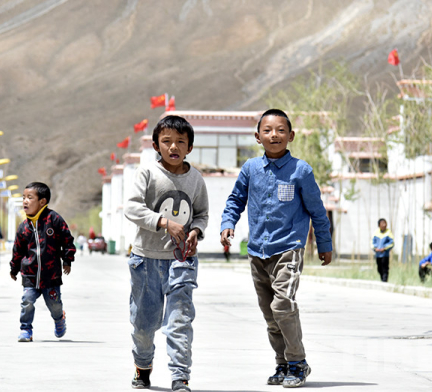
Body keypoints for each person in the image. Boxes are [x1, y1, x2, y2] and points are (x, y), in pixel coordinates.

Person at [220, 109, 332, 389]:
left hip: (288, 248)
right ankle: (282, 363)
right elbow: (235, 200)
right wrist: (227, 223)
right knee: (270, 315)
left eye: (281, 130)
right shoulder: (250, 169)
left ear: (290, 136)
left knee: (282, 305)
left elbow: (317, 211)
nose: (274, 135)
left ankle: (298, 361)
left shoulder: (301, 171)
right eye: (267, 130)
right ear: (257, 137)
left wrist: (324, 243)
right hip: (257, 251)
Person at [124, 115, 209, 392]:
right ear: (156, 145)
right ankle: (143, 365)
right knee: (144, 324)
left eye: (181, 142)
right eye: (167, 141)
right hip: (145, 261)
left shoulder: (196, 179)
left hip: (181, 261)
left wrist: (196, 231)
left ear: (190, 147)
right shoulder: (147, 173)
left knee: (179, 321)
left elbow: (201, 214)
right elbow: (132, 208)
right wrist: (163, 222)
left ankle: (180, 376)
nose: (174, 147)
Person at [10, 182, 75, 342]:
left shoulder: (54, 220)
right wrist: (14, 268)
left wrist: (67, 259)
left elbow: (67, 240)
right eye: (23, 197)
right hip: (30, 275)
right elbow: (17, 250)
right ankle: (26, 329)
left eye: (29, 197)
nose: (25, 201)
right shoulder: (23, 227)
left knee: (54, 305)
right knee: (27, 301)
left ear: (42, 201)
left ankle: (59, 318)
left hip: (51, 276)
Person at [372, 218, 394, 282]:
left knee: (385, 268)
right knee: (379, 269)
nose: (384, 225)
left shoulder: (388, 232)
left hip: (385, 254)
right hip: (378, 255)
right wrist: (375, 248)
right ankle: (382, 279)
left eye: (385, 223)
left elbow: (392, 243)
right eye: (382, 223)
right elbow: (372, 242)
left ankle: (384, 281)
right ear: (379, 225)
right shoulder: (376, 233)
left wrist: (385, 248)